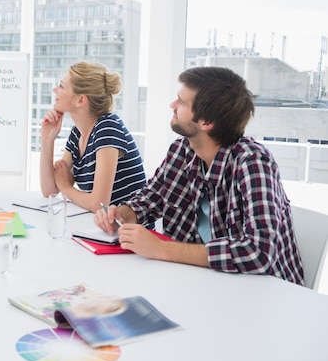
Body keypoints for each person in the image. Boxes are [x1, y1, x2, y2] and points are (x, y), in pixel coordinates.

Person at [94, 66, 304, 285]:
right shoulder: (181, 151)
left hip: (263, 293)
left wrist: (162, 249)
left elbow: (259, 253)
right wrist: (120, 215)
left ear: (206, 122)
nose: (172, 105)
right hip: (199, 283)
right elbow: (148, 202)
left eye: (181, 102)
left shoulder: (253, 162)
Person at [40, 61, 147, 212]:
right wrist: (47, 140)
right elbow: (49, 190)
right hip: (104, 230)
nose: (54, 89)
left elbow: (99, 204)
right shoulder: (77, 133)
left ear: (80, 100)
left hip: (128, 231)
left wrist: (66, 187)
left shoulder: (108, 128)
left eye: (62, 86)